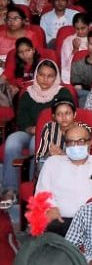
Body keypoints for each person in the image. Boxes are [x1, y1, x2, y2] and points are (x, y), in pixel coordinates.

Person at [2, 60, 73, 204]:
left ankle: (33, 187)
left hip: (51, 132)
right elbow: (21, 120)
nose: (45, 79)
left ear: (56, 77)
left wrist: (41, 130)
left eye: (50, 76)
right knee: (11, 142)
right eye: (41, 75)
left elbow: (66, 117)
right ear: (36, 75)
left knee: (37, 144)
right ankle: (11, 190)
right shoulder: (28, 94)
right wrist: (31, 129)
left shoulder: (63, 93)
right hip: (28, 131)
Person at [35, 121, 92, 236]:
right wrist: (49, 208)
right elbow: (41, 194)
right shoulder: (53, 163)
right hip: (60, 222)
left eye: (80, 141)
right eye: (71, 142)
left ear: (90, 142)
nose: (75, 146)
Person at [33, 93, 77, 170]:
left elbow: (83, 158)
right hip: (53, 166)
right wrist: (49, 154)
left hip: (74, 167)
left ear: (74, 114)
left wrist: (62, 154)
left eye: (67, 113)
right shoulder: (49, 127)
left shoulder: (83, 129)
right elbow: (40, 157)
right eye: (59, 114)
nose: (64, 117)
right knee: (42, 164)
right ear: (54, 117)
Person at [59, 13, 92, 83]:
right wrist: (75, 50)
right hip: (73, 73)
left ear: (89, 26)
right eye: (77, 29)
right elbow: (65, 64)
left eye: (83, 28)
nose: (80, 32)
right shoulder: (68, 41)